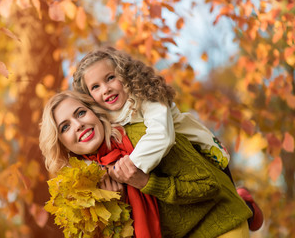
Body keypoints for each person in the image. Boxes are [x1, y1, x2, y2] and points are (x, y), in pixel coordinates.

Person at [72, 46, 263, 231]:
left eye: (111, 78)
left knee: (224, 184)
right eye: (95, 87)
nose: (105, 89)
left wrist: (128, 167)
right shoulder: (105, 117)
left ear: (125, 74)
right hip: (167, 168)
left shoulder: (145, 97)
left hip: (197, 150)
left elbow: (161, 135)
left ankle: (243, 200)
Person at [39, 90, 253, 238]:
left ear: (95, 112)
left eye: (81, 113)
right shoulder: (84, 189)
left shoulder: (143, 136)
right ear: (62, 145)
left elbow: (210, 185)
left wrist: (146, 182)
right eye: (65, 127)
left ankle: (242, 201)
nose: (78, 125)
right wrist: (118, 203)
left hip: (220, 221)